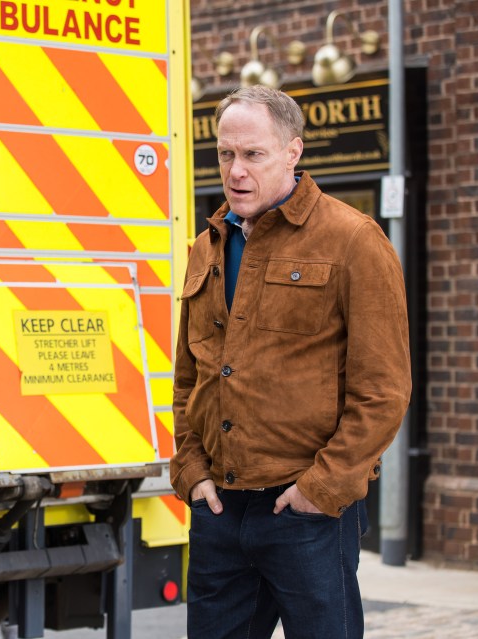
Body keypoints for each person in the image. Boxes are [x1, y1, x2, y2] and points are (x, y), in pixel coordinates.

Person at [170, 85, 411, 639]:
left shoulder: (353, 240)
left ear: (293, 152)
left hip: (306, 513)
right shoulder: (207, 246)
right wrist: (192, 471)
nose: (236, 170)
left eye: (253, 154)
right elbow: (191, 377)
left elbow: (384, 390)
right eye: (226, 154)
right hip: (220, 509)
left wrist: (320, 491)